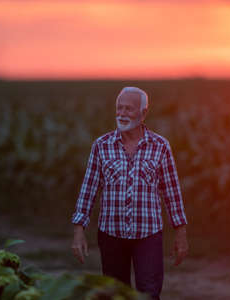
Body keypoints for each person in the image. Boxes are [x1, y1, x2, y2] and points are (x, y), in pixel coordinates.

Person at [71, 86, 188, 300]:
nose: (122, 113)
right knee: (116, 294)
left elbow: (172, 192)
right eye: (119, 108)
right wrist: (79, 230)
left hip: (148, 234)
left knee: (149, 293)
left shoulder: (160, 146)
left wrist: (180, 233)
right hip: (111, 234)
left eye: (129, 109)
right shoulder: (101, 146)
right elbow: (88, 190)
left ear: (143, 113)